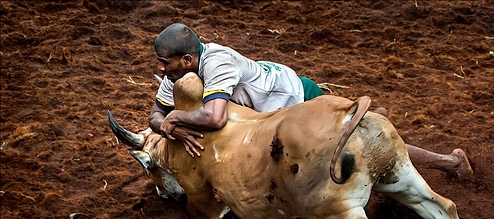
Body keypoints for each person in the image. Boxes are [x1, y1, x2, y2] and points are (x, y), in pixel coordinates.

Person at [149, 23, 473, 178]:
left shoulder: (216, 63)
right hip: (269, 119)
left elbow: (215, 117)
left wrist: (176, 120)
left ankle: (450, 162)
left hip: (295, 98)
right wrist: (166, 125)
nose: (160, 70)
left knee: (355, 146)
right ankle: (370, 116)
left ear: (188, 59)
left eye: (165, 63)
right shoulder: (178, 76)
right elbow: (155, 113)